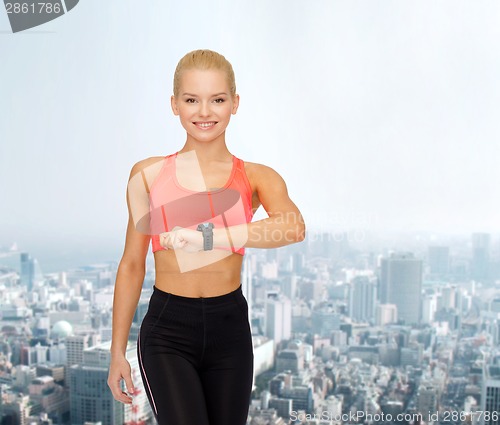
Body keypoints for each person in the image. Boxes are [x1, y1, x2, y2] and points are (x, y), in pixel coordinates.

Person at [107, 49, 305, 425]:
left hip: (229, 328)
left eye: (217, 99)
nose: (204, 111)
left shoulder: (258, 177)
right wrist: (117, 351)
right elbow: (132, 264)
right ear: (174, 105)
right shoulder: (146, 175)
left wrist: (207, 239)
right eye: (191, 100)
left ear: (235, 103)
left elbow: (293, 227)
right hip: (168, 330)